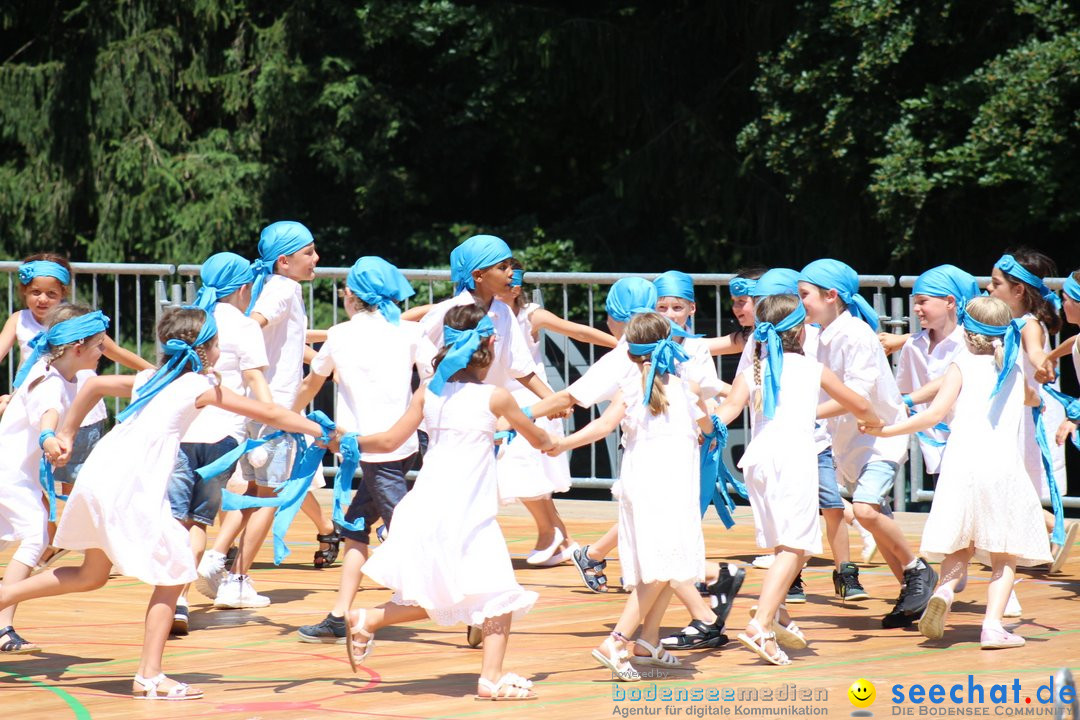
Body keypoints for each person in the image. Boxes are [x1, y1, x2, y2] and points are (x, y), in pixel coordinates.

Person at [0, 306, 335, 700]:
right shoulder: (195, 385)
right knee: (175, 570)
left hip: (103, 471)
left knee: (91, 575)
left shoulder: (151, 377)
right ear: (208, 349)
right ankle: (149, 676)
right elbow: (268, 410)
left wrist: (69, 433)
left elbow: (93, 387)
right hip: (130, 482)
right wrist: (324, 430)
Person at [343, 303, 552, 701]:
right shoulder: (496, 396)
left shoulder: (430, 392)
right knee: (497, 593)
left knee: (455, 592)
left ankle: (367, 617)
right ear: (488, 346)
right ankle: (489, 679)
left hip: (427, 504)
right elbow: (537, 437)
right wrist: (555, 440)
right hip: (467, 512)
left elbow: (388, 441)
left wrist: (345, 441)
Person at [861, 297, 1052, 648]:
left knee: (961, 543)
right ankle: (992, 626)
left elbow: (933, 415)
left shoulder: (960, 364)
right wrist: (1039, 400)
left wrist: (886, 431)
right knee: (1005, 554)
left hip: (961, 464)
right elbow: (1030, 398)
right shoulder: (1012, 365)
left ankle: (945, 591)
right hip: (1002, 468)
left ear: (967, 330)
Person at [546, 312, 716, 681]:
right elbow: (709, 424)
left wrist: (562, 444)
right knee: (660, 568)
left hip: (641, 481)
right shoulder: (687, 386)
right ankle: (617, 639)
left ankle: (649, 640)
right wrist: (708, 424)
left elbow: (602, 426)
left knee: (668, 566)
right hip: (669, 485)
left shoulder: (632, 387)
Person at [716, 294, 879, 664]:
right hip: (793, 458)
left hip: (758, 460)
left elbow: (726, 410)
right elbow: (859, 403)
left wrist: (701, 427)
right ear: (801, 331)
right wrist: (875, 422)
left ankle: (780, 615)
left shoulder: (754, 368)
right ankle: (761, 623)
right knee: (797, 547)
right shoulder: (812, 368)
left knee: (781, 547)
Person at [294, 256, 433, 644]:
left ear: (351, 295)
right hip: (403, 441)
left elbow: (310, 384)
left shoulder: (338, 335)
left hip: (370, 449)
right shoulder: (410, 333)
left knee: (404, 530)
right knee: (355, 525)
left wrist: (284, 416)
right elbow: (432, 382)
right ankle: (339, 614)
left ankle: (466, 603)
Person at [798, 259, 936, 628]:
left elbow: (856, 393)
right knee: (876, 521)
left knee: (865, 510)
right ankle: (912, 596)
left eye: (804, 295)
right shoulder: (820, 336)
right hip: (851, 445)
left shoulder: (854, 334)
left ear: (831, 296)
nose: (800, 303)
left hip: (881, 440)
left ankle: (917, 569)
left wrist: (804, 414)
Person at [168, 252, 270, 633]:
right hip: (224, 437)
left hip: (181, 431)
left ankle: (175, 597)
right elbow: (256, 382)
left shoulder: (190, 321)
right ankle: (181, 595)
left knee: (177, 519)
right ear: (244, 288)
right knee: (199, 520)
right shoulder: (245, 327)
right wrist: (271, 427)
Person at [0, 305, 109, 654]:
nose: (104, 352)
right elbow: (48, 416)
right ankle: (2, 625)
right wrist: (49, 439)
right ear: (78, 348)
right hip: (9, 476)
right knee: (35, 535)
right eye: (99, 346)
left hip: (17, 476)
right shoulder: (48, 381)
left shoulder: (66, 375)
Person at [495, 258, 616, 567]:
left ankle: (550, 536)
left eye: (512, 277)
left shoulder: (530, 315)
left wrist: (627, 347)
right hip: (500, 401)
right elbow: (426, 314)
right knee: (526, 476)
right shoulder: (478, 311)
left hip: (533, 400)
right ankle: (563, 541)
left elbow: (581, 332)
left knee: (521, 469)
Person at [0, 255, 153, 495]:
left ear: (63, 293)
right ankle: (46, 534)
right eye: (35, 292)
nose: (42, 299)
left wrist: (156, 371)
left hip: (82, 414)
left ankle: (72, 532)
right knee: (36, 486)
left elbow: (116, 352)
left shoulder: (78, 323)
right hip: (36, 415)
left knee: (77, 487)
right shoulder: (19, 320)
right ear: (24, 291)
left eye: (51, 294)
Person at [986, 250, 1072, 570]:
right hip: (1004, 415)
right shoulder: (1001, 322)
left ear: (1018, 290)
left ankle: (1053, 528)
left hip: (1021, 417)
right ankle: (1040, 536)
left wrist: (1042, 365)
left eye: (995, 284)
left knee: (1011, 484)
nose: (989, 290)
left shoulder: (1028, 324)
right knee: (1005, 485)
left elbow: (1036, 351)